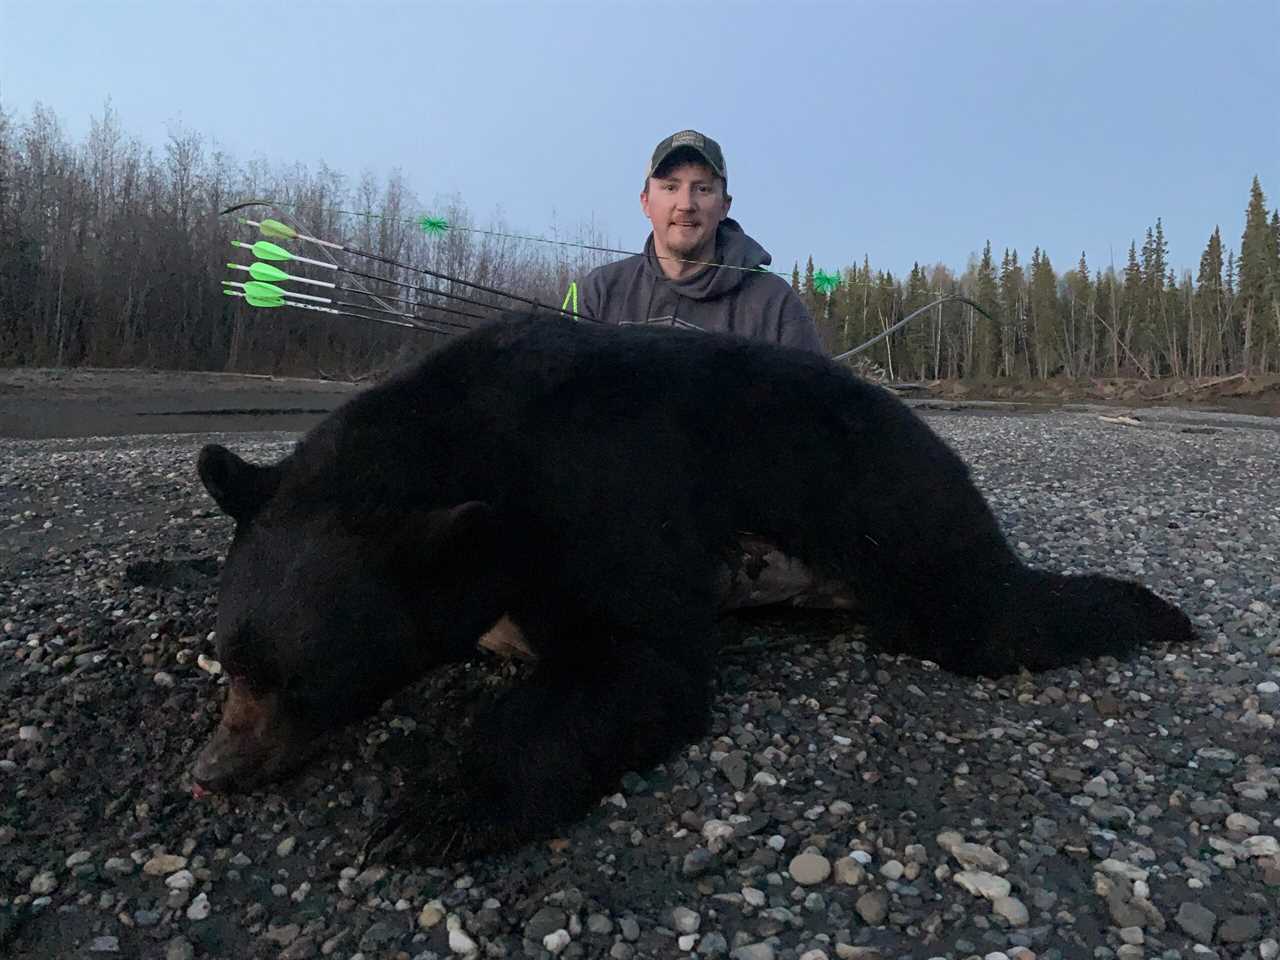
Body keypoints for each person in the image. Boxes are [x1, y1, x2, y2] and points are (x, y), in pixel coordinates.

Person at [581, 129, 823, 354]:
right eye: (670, 187)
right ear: (645, 201)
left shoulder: (774, 303)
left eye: (702, 189)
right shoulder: (602, 290)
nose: (686, 204)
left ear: (724, 206)